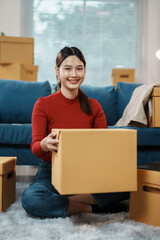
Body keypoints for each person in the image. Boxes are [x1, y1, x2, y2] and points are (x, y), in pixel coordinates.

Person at [22, 46, 129, 218]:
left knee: (130, 183)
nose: (74, 74)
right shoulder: (43, 104)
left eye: (79, 68)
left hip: (88, 170)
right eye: (67, 68)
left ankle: (65, 199)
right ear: (57, 71)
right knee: (31, 199)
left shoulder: (94, 106)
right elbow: (35, 146)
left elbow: (104, 146)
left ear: (85, 70)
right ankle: (91, 207)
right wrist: (44, 144)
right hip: (51, 171)